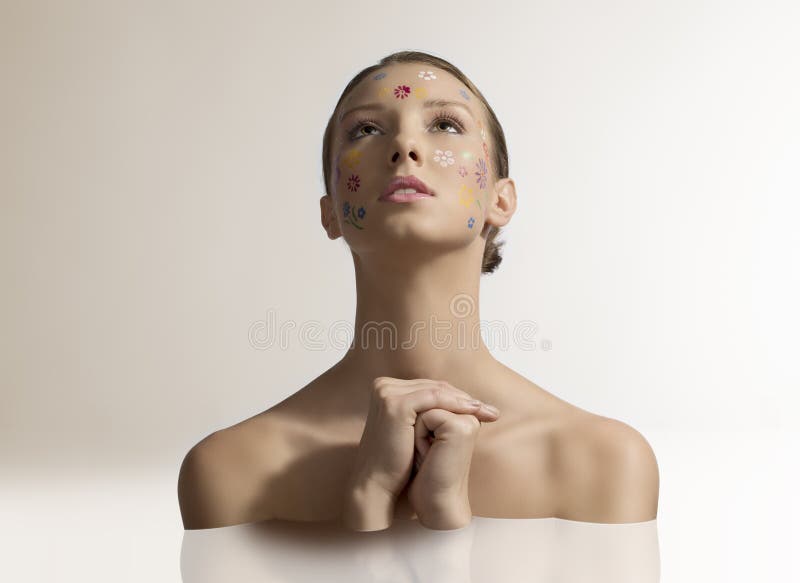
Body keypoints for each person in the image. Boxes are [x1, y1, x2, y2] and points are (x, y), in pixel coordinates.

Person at [178, 50, 659, 531]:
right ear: (331, 211)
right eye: (366, 129)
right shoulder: (229, 472)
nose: (405, 145)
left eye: (446, 125)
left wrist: (433, 514)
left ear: (500, 199)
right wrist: (369, 496)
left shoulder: (604, 462)